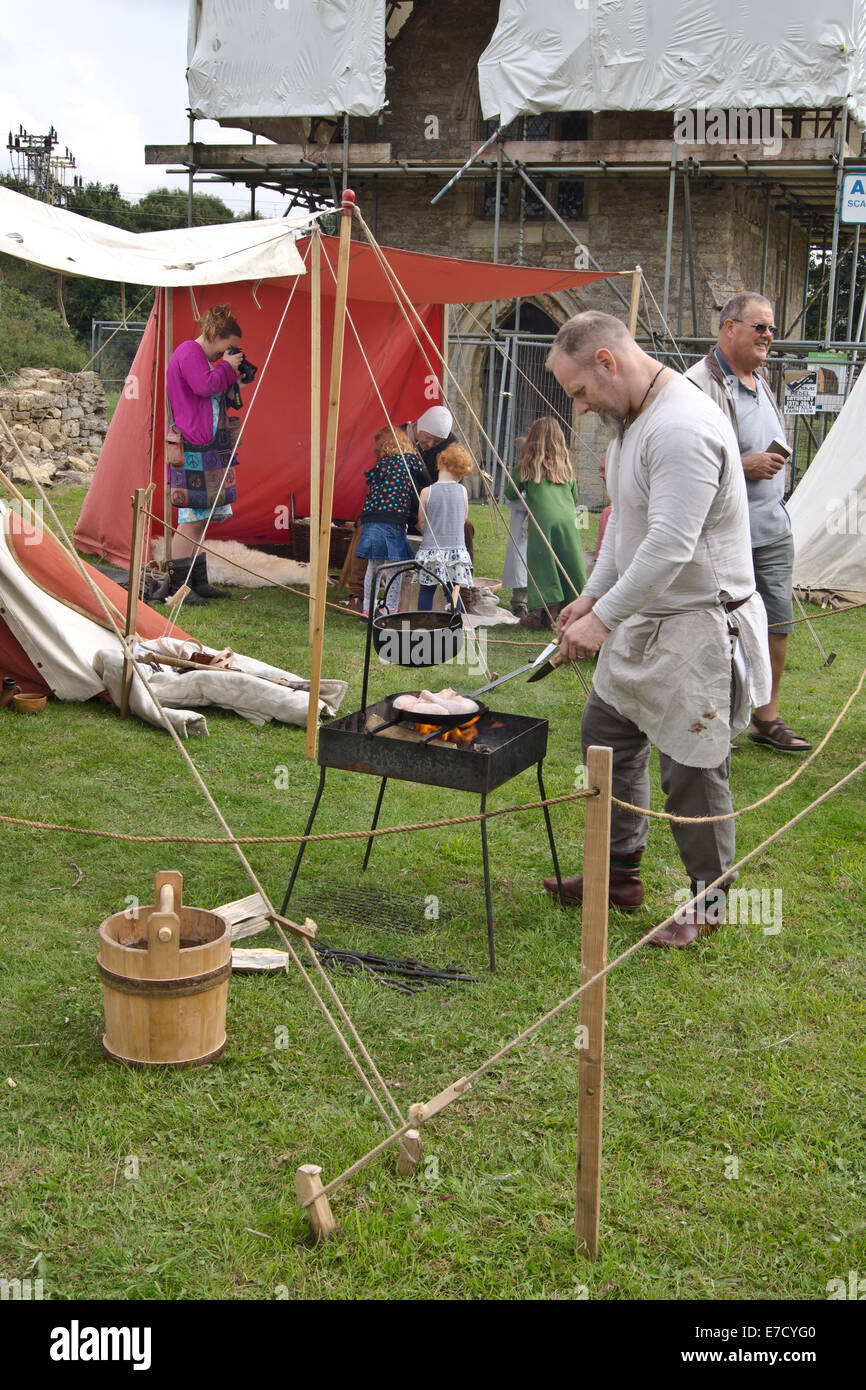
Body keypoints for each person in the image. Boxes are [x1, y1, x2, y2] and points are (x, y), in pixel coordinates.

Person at [541, 311, 770, 947]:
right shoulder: (628, 431)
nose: (581, 409)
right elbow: (625, 529)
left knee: (692, 767)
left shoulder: (681, 426)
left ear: (607, 363)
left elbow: (670, 546)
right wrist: (590, 600)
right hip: (648, 616)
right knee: (606, 735)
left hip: (701, 620)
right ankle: (618, 875)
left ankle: (710, 901)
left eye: (581, 392)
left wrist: (606, 619)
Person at [685, 293, 810, 752]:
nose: (768, 336)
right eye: (759, 327)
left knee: (776, 624)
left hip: (772, 530)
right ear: (729, 327)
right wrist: (744, 464)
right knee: (716, 629)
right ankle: (711, 719)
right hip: (722, 535)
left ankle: (766, 717)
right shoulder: (697, 384)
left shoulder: (760, 380)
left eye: (772, 329)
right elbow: (688, 462)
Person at [155, 303, 246, 605]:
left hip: (207, 444)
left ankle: (197, 581)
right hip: (193, 444)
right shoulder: (188, 352)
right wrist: (225, 368)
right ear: (216, 335)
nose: (226, 353)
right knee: (191, 516)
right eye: (226, 347)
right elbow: (204, 386)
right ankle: (178, 588)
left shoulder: (206, 359)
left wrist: (233, 374)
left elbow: (216, 390)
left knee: (202, 517)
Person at [344, 405, 470, 613]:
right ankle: (357, 595)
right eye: (428, 438)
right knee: (364, 526)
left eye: (435, 442)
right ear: (418, 426)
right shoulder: (395, 436)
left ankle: (463, 596)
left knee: (465, 527)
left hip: (429, 510)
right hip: (395, 510)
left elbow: (453, 486)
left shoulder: (449, 443)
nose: (430, 445)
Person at [505, 416, 587, 630]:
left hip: (543, 521)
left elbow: (510, 492)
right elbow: (575, 496)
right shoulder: (566, 467)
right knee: (567, 564)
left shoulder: (528, 465)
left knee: (543, 566)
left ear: (532, 439)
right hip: (568, 520)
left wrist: (519, 470)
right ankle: (566, 612)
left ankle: (546, 615)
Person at [356, 425, 428, 615]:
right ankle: (390, 608)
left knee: (374, 565)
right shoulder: (411, 460)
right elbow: (425, 481)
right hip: (392, 519)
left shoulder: (381, 465)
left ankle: (368, 608)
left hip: (370, 519)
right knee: (396, 565)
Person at [415, 443, 474, 610]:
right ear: (461, 474)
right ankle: (455, 626)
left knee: (426, 591)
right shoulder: (463, 491)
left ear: (439, 464)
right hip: (455, 551)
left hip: (431, 550)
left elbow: (421, 522)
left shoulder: (426, 491)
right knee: (452, 592)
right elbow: (463, 518)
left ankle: (423, 625)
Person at [502, 435, 529, 615]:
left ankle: (536, 603)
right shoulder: (523, 469)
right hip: (524, 520)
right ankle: (520, 602)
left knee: (532, 559)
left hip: (542, 519)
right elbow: (511, 494)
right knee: (521, 559)